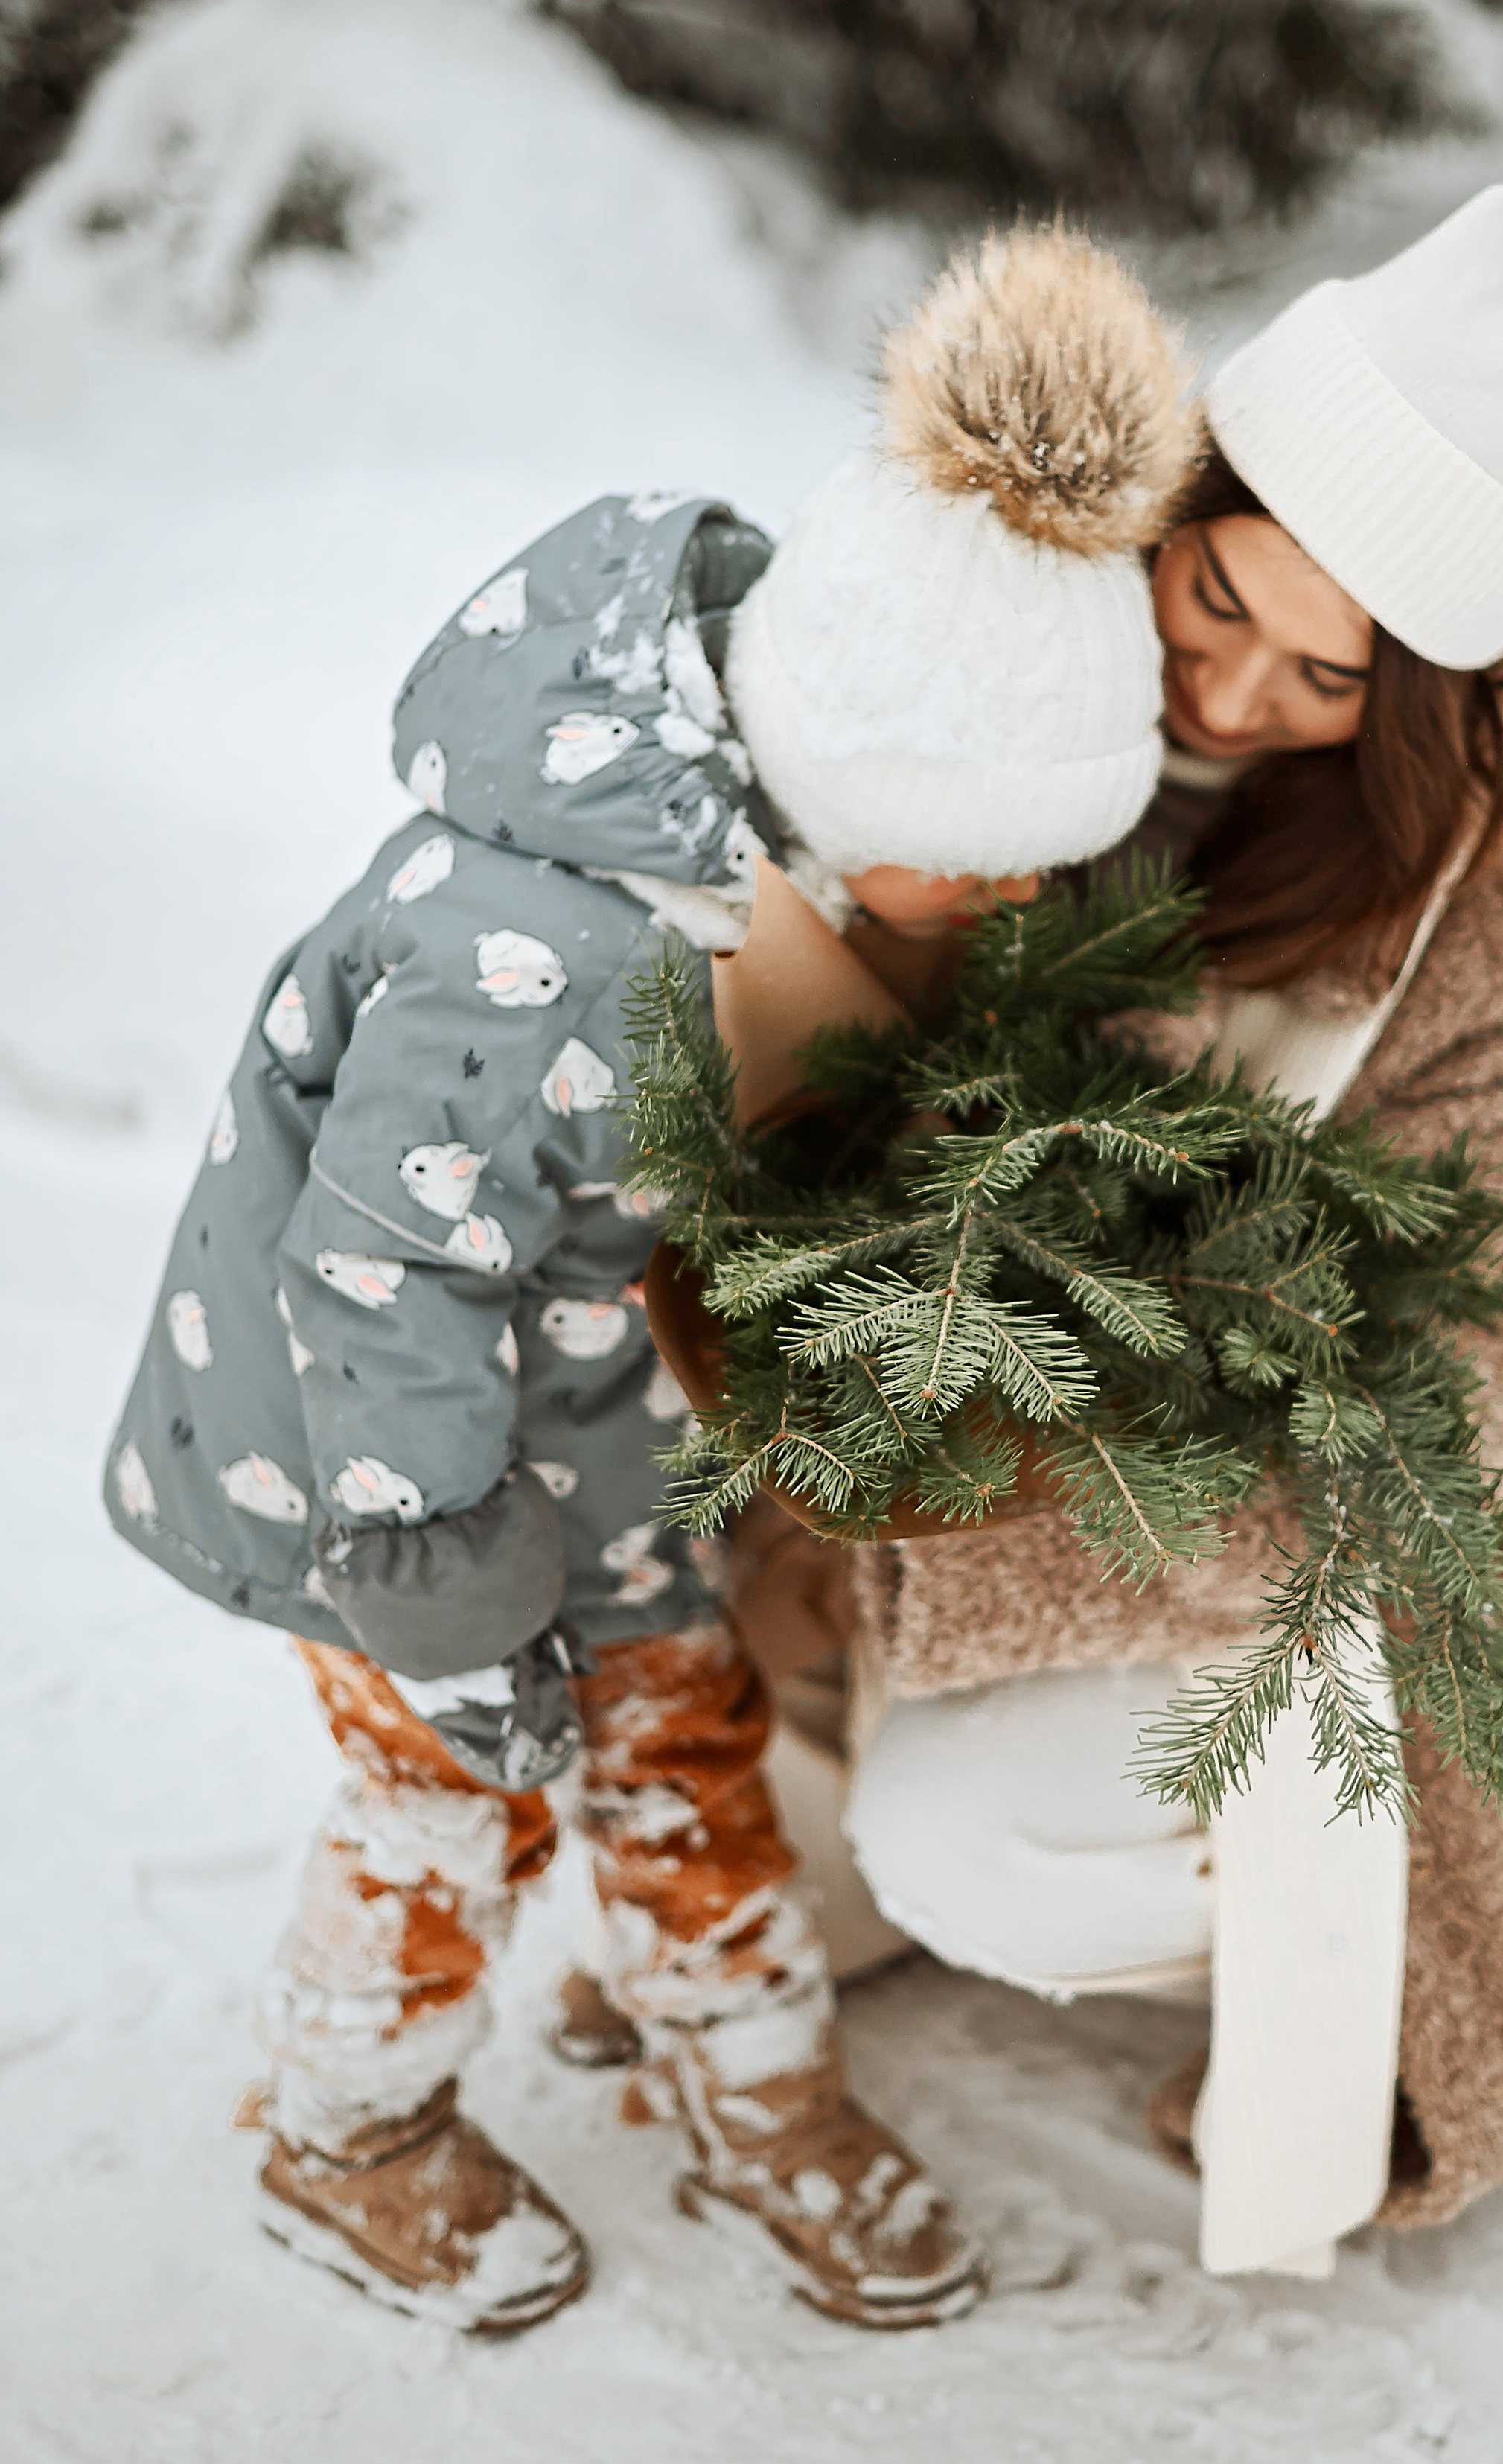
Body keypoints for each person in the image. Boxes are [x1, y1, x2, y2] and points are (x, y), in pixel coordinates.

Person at [102, 225, 1190, 2332]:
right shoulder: (542, 947)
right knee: (459, 1790)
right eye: (991, 851)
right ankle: (341, 2127)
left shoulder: (718, 847)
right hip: (367, 1467)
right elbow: (384, 1270)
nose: (1010, 897)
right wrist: (435, 1572)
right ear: (877, 766)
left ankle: (756, 2081)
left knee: (680, 1730)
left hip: (574, 1424)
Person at [837, 185, 1503, 2273]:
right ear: (1180, 503)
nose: (1238, 692)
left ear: (1434, 690)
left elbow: (1410, 1445)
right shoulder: (1034, 639)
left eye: (1330, 671)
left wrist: (964, 1549)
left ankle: (1346, 1930)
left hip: (1394, 1513)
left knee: (971, 1833)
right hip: (1022, 1392)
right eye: (1216, 595)